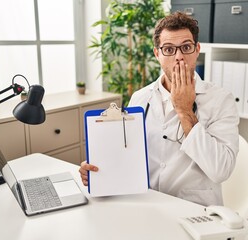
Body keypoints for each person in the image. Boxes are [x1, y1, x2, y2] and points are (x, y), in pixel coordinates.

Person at [79, 11, 239, 206]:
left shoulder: (221, 100)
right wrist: (101, 173)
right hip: (146, 204)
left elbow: (220, 170)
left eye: (186, 47)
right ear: (157, 54)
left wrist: (185, 110)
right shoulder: (140, 98)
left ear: (197, 50)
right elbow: (125, 157)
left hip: (195, 211)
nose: (179, 57)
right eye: (169, 49)